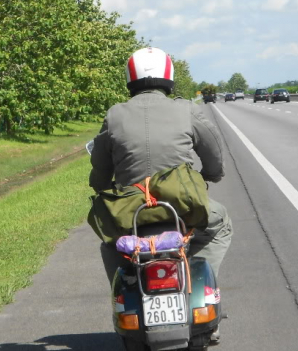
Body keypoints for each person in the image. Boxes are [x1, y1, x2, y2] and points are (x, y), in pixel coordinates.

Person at [89, 47, 233, 295]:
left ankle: (126, 292)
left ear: (129, 78)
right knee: (221, 224)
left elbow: (100, 175)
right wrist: (211, 174)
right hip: (183, 207)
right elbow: (214, 154)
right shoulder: (186, 109)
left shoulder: (114, 115)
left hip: (130, 211)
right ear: (169, 77)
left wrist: (103, 184)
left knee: (109, 242)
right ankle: (201, 286)